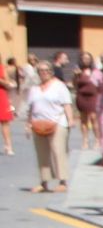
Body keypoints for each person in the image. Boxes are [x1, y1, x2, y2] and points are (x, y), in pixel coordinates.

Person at [26, 60, 72, 193]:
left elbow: (67, 104)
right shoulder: (34, 89)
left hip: (58, 122)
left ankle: (63, 181)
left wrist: (70, 120)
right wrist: (28, 124)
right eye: (41, 71)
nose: (44, 73)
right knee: (42, 153)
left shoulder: (59, 86)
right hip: (38, 123)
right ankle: (44, 182)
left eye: (46, 70)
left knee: (58, 151)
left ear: (51, 72)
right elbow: (31, 108)